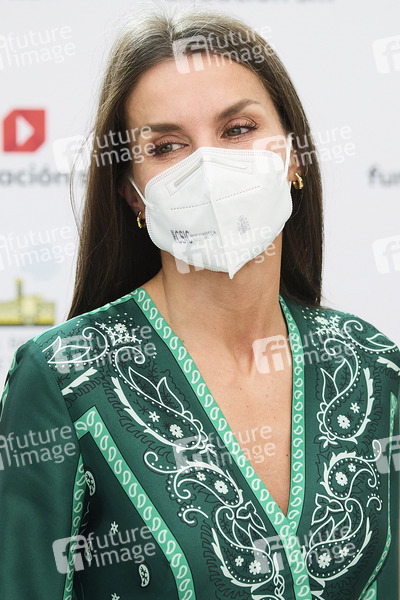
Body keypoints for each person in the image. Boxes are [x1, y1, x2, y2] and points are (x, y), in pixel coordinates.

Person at [0, 7, 399, 600]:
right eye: (167, 146)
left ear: (292, 155)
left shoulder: (371, 365)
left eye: (237, 129)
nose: (209, 167)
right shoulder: (65, 380)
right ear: (133, 193)